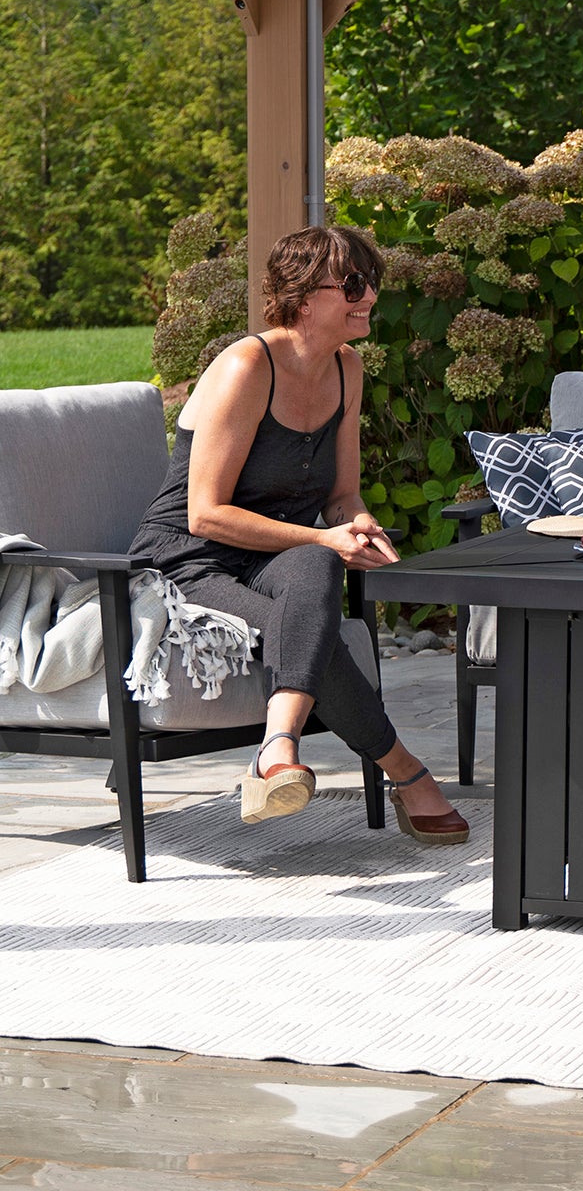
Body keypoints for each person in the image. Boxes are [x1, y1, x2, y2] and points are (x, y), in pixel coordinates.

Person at [129, 225, 467, 845]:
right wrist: (321, 538)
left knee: (317, 569)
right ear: (305, 296)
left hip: (274, 552)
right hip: (188, 560)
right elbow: (204, 514)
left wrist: (355, 523)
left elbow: (341, 494)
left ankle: (275, 748)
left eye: (373, 282)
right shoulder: (246, 365)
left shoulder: (347, 367)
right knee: (315, 594)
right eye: (356, 284)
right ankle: (405, 772)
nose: (370, 297)